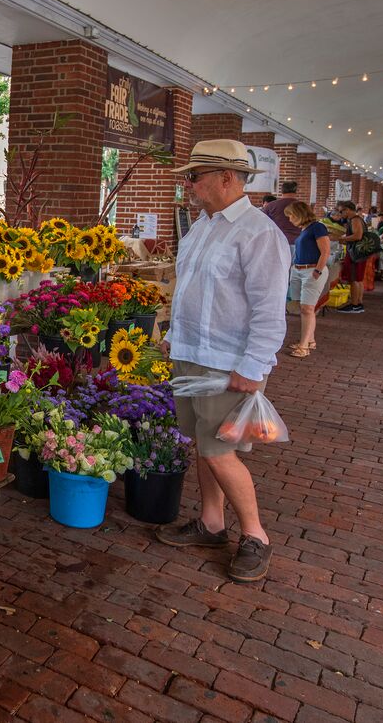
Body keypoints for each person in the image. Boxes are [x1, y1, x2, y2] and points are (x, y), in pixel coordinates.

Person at [156, 139, 289, 583]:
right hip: (192, 354)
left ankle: (256, 535)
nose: (190, 185)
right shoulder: (202, 226)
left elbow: (270, 311)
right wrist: (174, 337)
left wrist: (254, 367)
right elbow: (191, 291)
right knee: (204, 445)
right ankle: (212, 523)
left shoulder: (258, 233)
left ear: (227, 178)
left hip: (227, 363)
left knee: (219, 451)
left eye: (196, 176)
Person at [284, 202, 330, 357]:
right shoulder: (304, 229)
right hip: (299, 269)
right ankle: (309, 340)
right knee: (303, 307)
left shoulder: (317, 227)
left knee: (307, 308)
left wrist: (317, 270)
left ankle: (304, 346)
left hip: (311, 270)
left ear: (299, 213)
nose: (290, 219)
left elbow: (325, 251)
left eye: (291, 215)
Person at [331, 200, 366, 314]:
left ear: (348, 209)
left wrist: (341, 239)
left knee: (354, 279)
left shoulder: (355, 220)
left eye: (341, 211)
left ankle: (354, 304)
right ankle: (358, 303)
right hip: (359, 253)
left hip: (355, 253)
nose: (341, 214)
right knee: (358, 279)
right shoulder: (357, 219)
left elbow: (357, 235)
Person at [262, 181, 301, 251]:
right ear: (296, 191)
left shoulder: (271, 205)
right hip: (299, 243)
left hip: (278, 242)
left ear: (281, 191)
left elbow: (263, 224)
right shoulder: (303, 207)